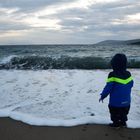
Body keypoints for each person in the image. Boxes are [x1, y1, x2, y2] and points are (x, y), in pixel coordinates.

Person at [99, 53, 134, 127]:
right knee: (124, 113)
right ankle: (123, 123)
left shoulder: (112, 75)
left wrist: (103, 96)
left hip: (115, 103)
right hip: (127, 102)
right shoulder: (128, 74)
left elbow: (108, 88)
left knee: (114, 114)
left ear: (113, 64)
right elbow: (131, 84)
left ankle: (116, 124)